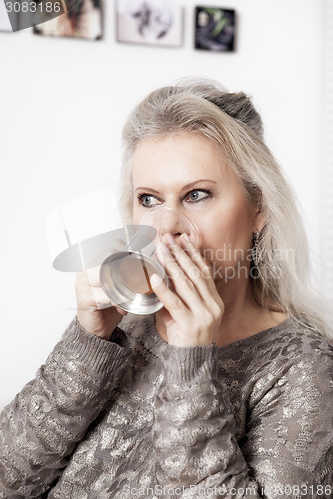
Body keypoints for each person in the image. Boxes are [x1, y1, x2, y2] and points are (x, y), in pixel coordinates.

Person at [0, 78, 332, 498]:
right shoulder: (124, 328)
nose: (167, 227)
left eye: (196, 195)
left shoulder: (305, 369)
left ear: (258, 207)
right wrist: (86, 348)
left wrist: (191, 365)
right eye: (150, 200)